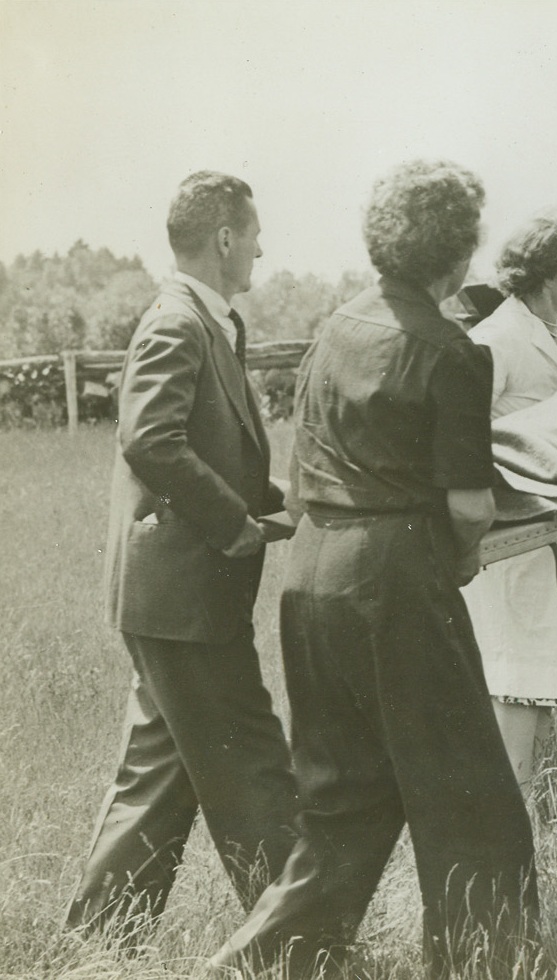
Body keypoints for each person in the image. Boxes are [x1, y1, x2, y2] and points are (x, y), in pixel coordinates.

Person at [209, 159, 538, 979]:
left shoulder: (334, 329)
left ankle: (261, 963)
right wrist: (459, 562)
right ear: (456, 254)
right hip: (393, 578)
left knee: (344, 802)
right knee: (472, 801)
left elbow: (307, 470)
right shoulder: (453, 351)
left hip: (312, 573)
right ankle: (485, 968)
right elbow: (470, 507)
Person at [66, 172, 298, 939]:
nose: (261, 248)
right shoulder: (178, 322)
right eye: (254, 234)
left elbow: (204, 444)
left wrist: (283, 498)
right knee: (253, 767)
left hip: (172, 599)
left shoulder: (203, 320)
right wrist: (234, 525)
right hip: (186, 597)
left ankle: (97, 945)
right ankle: (301, 942)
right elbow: (151, 441)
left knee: (158, 780)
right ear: (225, 238)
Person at [461, 211, 557, 797]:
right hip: (512, 532)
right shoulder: (497, 339)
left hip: (554, 529)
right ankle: (507, 813)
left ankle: (522, 807)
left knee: (538, 677)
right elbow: (463, 436)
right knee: (514, 676)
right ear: (551, 274)